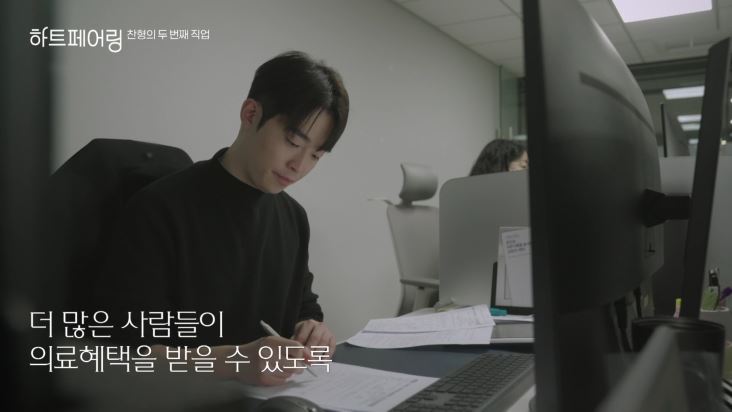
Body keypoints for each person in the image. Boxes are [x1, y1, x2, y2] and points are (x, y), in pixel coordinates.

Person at [91, 51, 349, 386]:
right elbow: (123, 351)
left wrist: (312, 329)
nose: (299, 166)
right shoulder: (159, 209)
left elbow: (304, 306)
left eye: (315, 155)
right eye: (292, 142)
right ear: (250, 113)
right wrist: (234, 363)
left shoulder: (294, 219)